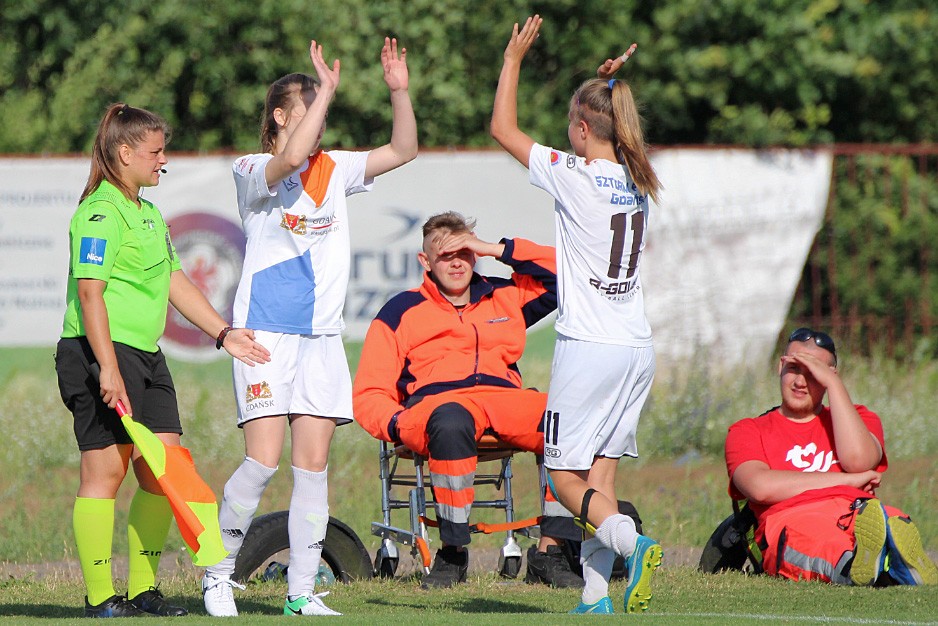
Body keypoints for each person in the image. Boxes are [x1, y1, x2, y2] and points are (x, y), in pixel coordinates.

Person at [200, 37, 417, 617]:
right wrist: (329, 92)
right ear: (280, 116)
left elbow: (404, 148)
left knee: (313, 469)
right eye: (309, 111)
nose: (320, 125)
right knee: (262, 461)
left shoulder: (336, 167)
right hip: (264, 336)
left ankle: (300, 592)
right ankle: (217, 576)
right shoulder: (251, 169)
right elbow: (291, 157)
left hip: (321, 338)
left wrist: (399, 92)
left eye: (324, 112)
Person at [54, 103, 271, 618]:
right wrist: (107, 367)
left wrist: (223, 333)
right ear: (124, 153)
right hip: (98, 353)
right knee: (106, 474)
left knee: (162, 470)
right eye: (155, 152)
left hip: (146, 356)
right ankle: (101, 598)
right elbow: (89, 295)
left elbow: (175, 281)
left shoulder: (148, 214)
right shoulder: (99, 213)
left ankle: (143, 589)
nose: (163, 160)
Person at [490, 15, 664, 615]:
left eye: (572, 126)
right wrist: (604, 86)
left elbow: (503, 128)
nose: (566, 138)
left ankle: (633, 545)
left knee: (564, 480)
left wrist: (513, 60)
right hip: (636, 348)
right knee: (600, 480)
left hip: (589, 347)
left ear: (584, 129)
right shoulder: (638, 177)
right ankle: (595, 597)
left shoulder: (578, 175)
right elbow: (618, 126)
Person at [354, 211, 584, 590]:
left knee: (568, 417)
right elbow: (369, 393)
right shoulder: (400, 311)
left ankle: (551, 551)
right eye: (445, 255)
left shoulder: (504, 295)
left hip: (504, 401)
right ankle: (453, 553)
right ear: (425, 261)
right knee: (451, 420)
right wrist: (398, 424)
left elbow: (569, 273)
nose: (457, 262)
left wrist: (496, 249)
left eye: (464, 252)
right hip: (437, 408)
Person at [725, 327, 938, 585]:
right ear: (780, 366)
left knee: (888, 521)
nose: (800, 381)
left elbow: (859, 461)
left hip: (858, 512)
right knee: (820, 544)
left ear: (829, 375)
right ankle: (866, 567)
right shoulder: (748, 430)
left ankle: (892, 561)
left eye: (813, 373)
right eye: (794, 368)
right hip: (793, 518)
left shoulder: (858, 418)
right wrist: (848, 481)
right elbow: (760, 487)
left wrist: (834, 385)